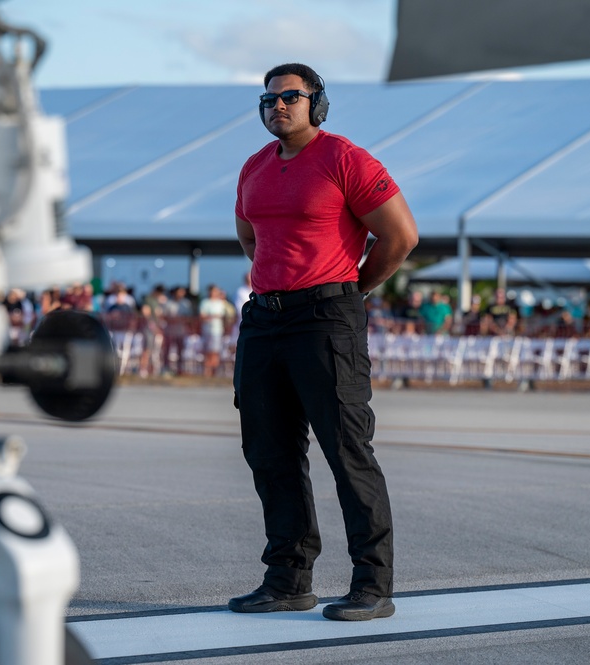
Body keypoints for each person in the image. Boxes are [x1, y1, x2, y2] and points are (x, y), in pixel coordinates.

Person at [230, 63, 418, 622]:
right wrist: (281, 287)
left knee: (347, 450)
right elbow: (250, 237)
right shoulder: (253, 167)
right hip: (265, 320)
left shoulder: (345, 158)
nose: (278, 106)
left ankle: (372, 584)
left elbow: (401, 235)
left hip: (326, 318)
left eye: (291, 96)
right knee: (270, 451)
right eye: (268, 99)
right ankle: (288, 579)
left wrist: (349, 288)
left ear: (318, 102)